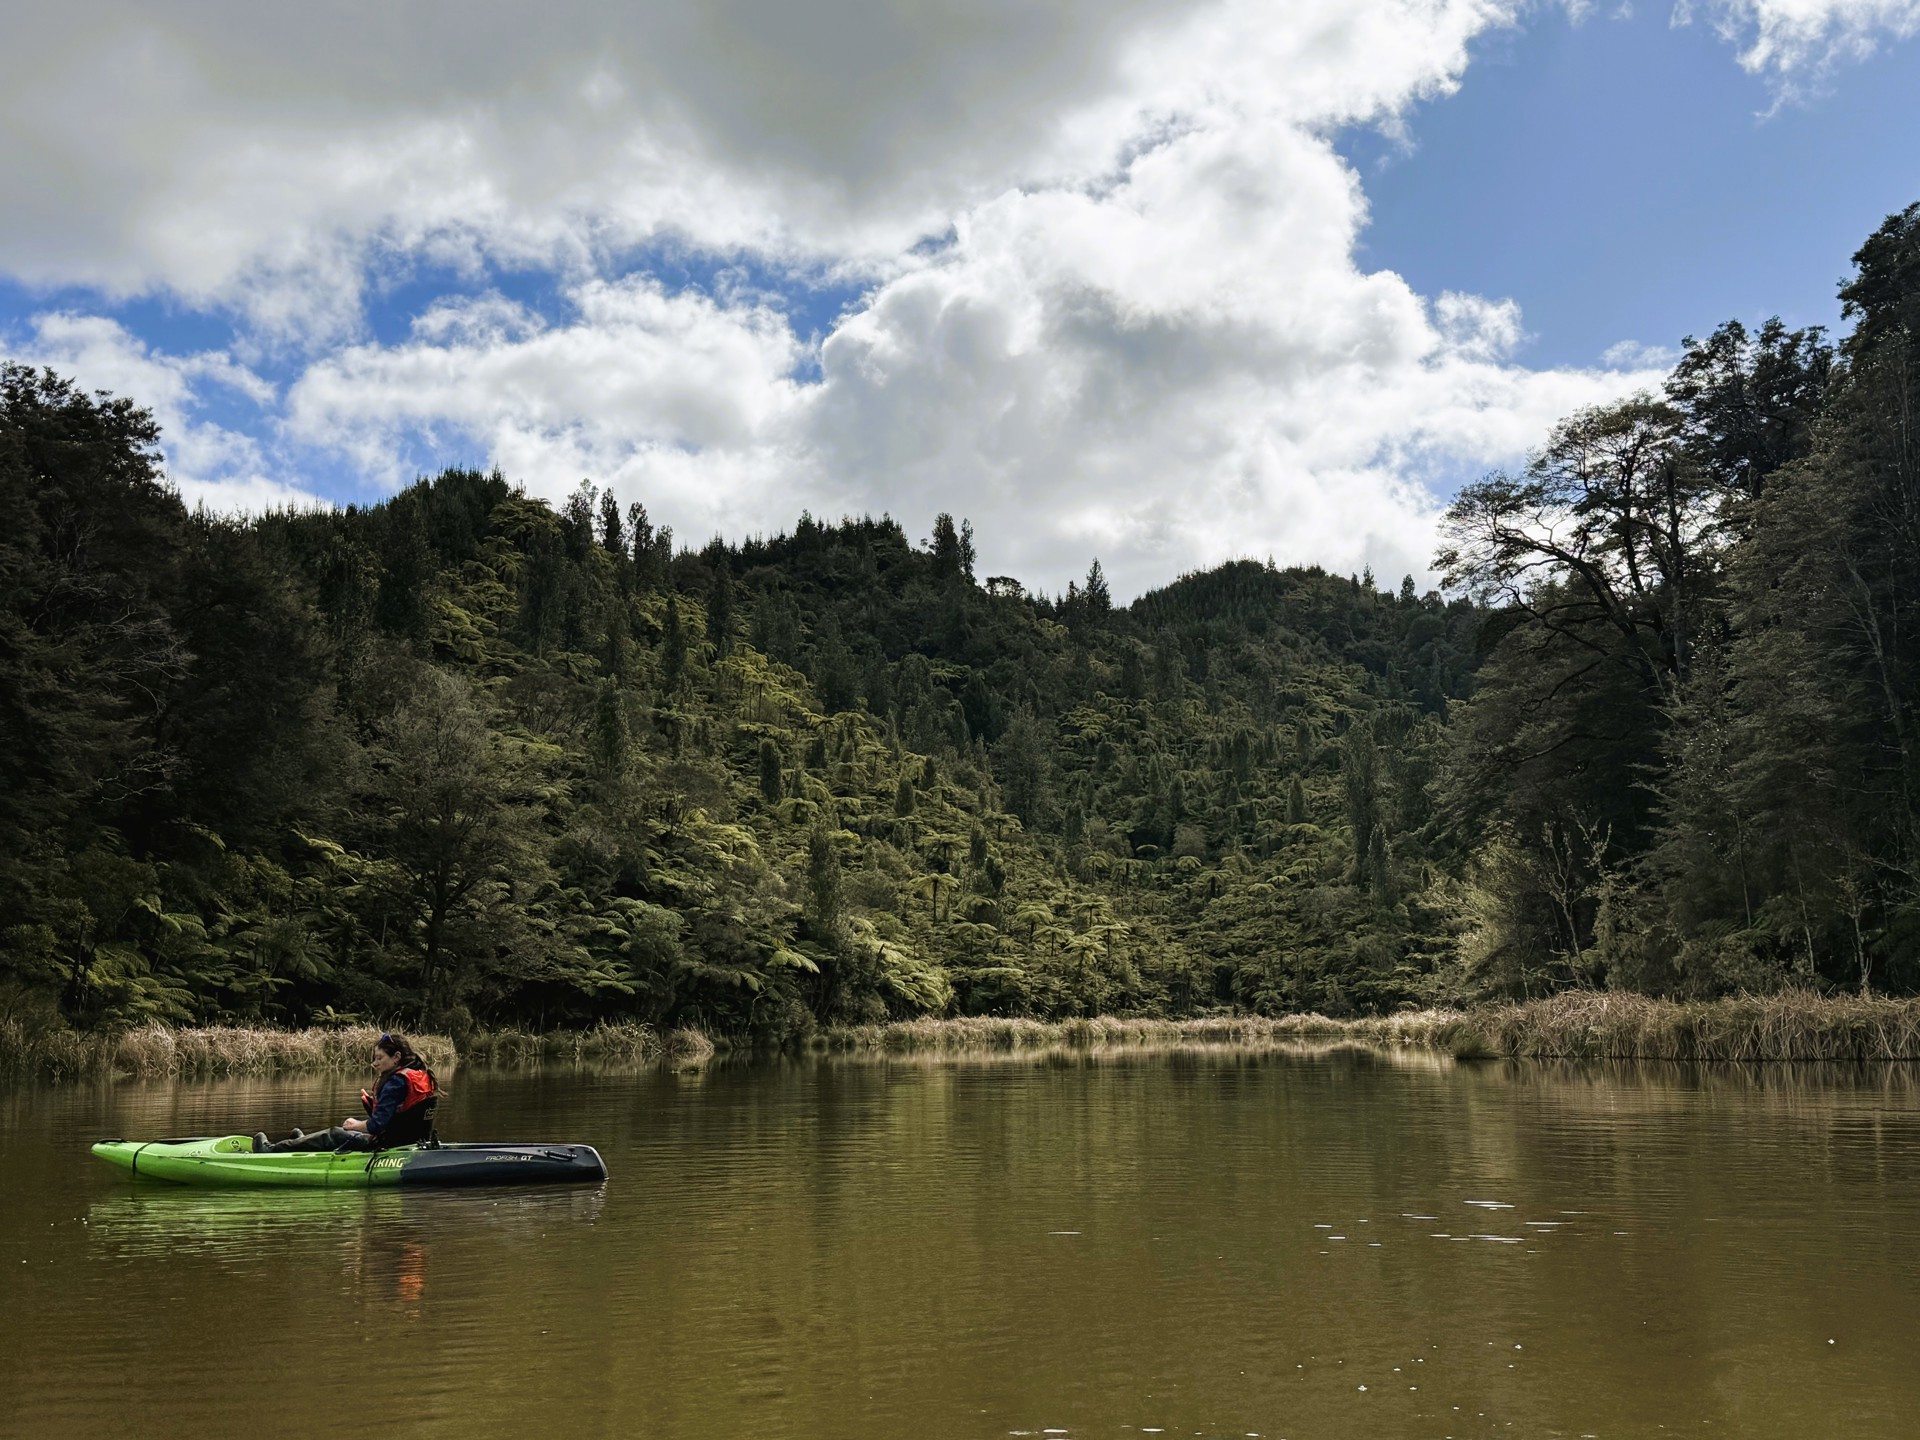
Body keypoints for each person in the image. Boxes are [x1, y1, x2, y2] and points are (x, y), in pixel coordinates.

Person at [254, 1033, 439, 1153]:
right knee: (342, 1133)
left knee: (335, 1133)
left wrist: (355, 1125)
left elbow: (376, 1126)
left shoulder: (396, 1082)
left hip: (388, 1146)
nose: (374, 1063)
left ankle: (271, 1150)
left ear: (396, 1058)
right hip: (413, 1141)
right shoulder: (421, 1075)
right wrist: (372, 1105)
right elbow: (402, 1116)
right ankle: (301, 1144)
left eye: (379, 1058)